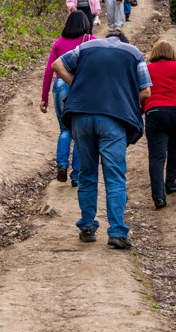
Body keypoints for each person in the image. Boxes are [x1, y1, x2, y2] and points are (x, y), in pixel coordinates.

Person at [52, 31, 152, 249]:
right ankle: (116, 232)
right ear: (123, 42)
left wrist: (76, 84)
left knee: (87, 172)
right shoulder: (134, 53)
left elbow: (58, 65)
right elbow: (145, 92)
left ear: (107, 38)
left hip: (80, 114)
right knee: (114, 175)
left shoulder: (87, 48)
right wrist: (124, 101)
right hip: (113, 119)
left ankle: (87, 226)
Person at [40, 12, 96, 185]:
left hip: (60, 87)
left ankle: (62, 165)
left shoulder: (59, 42)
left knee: (65, 129)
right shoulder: (90, 40)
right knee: (80, 132)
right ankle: (76, 175)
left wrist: (44, 98)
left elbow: (50, 70)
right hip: (80, 86)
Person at [143, 41, 176, 209]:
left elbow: (142, 91)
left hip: (156, 112)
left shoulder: (147, 69)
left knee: (157, 155)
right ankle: (171, 183)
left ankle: (159, 197)